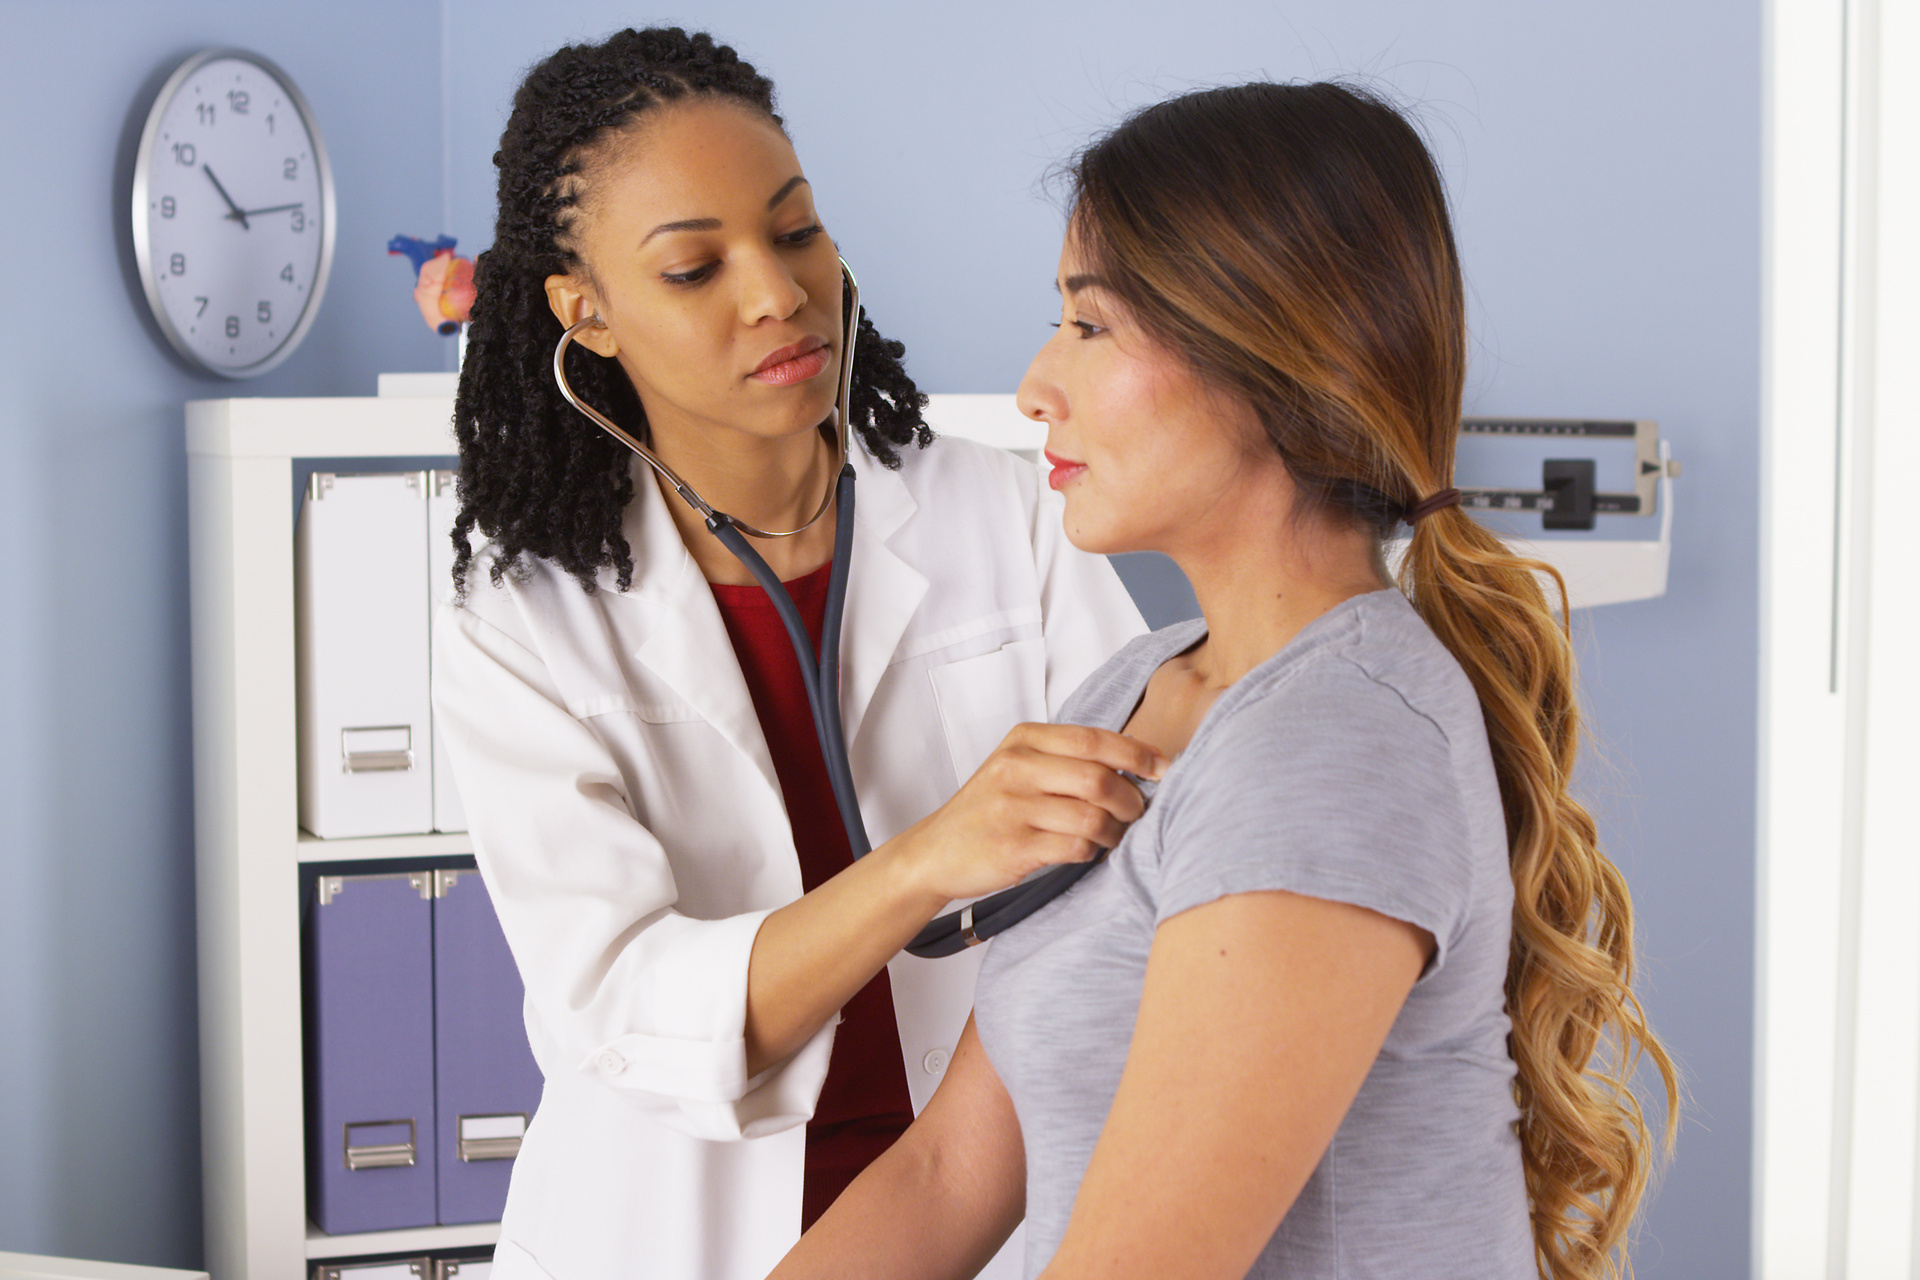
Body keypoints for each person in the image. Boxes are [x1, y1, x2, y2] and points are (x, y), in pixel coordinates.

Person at [772, 81, 1679, 1280]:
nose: (1040, 382)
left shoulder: (1339, 734)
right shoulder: (1132, 691)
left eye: (1089, 327)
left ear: (1267, 352)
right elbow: (947, 1175)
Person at [431, 27, 1151, 1280]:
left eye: (797, 229)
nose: (774, 291)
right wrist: (932, 859)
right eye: (695, 267)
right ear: (583, 312)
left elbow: (1144, 849)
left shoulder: (1011, 514)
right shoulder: (526, 620)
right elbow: (623, 1004)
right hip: (675, 1230)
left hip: (988, 1202)